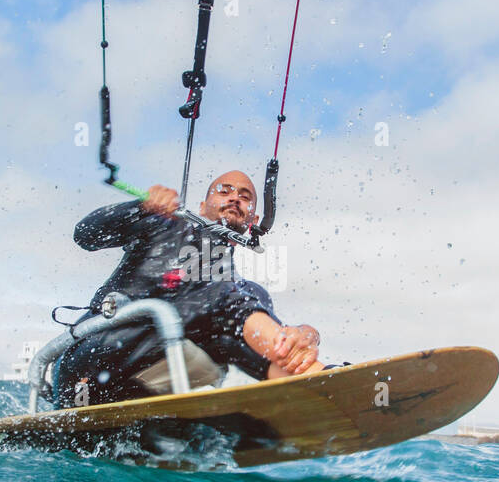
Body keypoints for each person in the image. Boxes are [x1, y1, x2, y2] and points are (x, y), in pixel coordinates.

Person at [50, 170, 324, 407]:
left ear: (252, 221)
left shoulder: (233, 289)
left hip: (144, 377)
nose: (235, 198)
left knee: (249, 297)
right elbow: (85, 235)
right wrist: (141, 206)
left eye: (245, 196)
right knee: (232, 293)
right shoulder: (162, 225)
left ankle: (313, 384)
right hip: (93, 359)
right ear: (203, 206)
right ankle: (303, 364)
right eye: (224, 191)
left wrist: (304, 333)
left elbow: (238, 308)